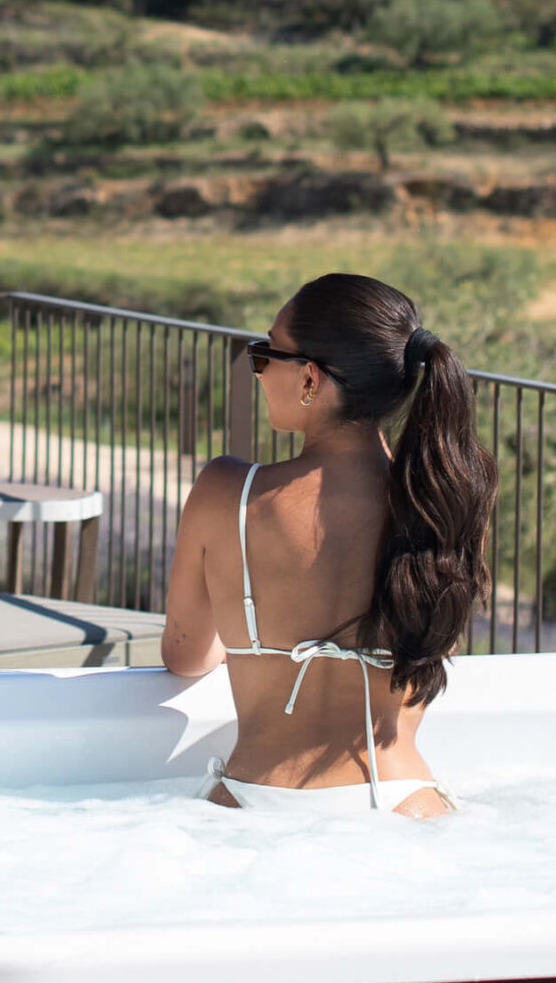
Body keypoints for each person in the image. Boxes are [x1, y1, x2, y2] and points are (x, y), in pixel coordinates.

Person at [160, 273, 497, 818]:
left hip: (257, 800)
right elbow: (435, 646)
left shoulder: (228, 493)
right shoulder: (447, 503)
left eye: (265, 353)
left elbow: (185, 657)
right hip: (404, 802)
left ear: (311, 378)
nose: (259, 370)